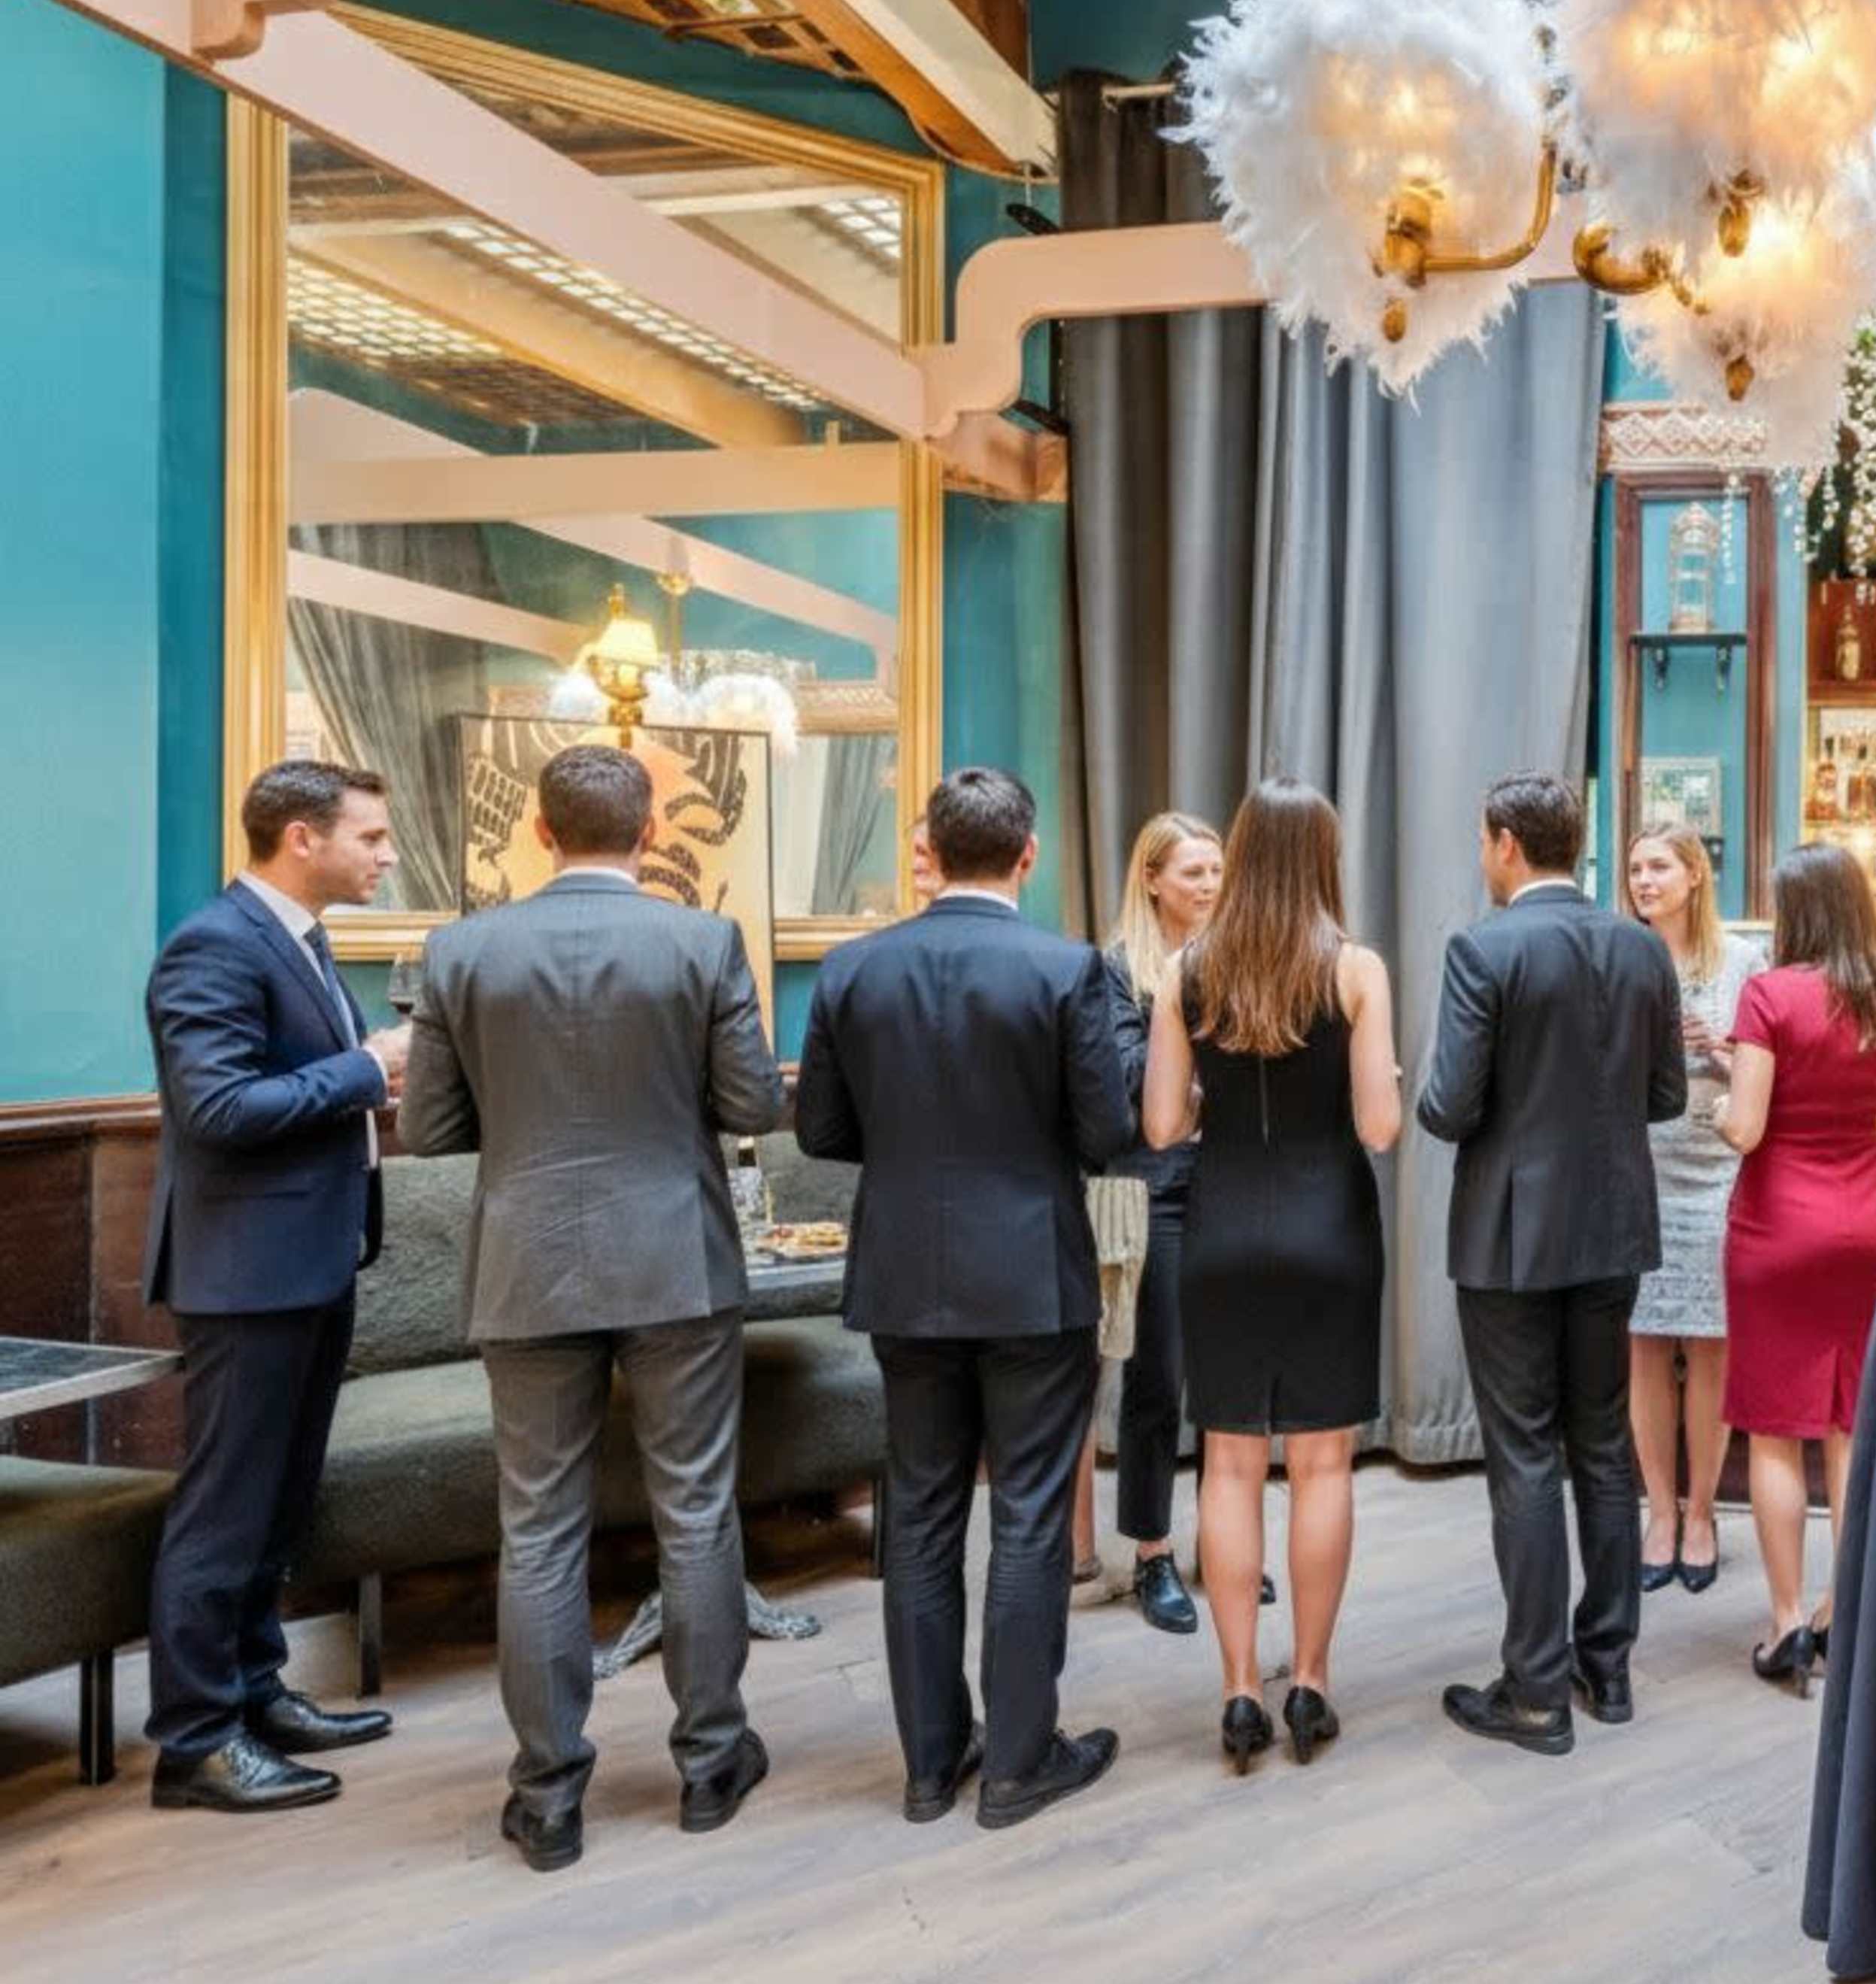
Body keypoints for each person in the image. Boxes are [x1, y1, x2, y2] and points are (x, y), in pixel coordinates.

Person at [399, 745, 784, 1873]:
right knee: (699, 1512)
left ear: (538, 829)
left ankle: (548, 1792)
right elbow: (752, 1102)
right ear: (652, 825)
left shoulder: (462, 949)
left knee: (538, 1529)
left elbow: (427, 1132)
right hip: (676, 1256)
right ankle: (713, 1761)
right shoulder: (702, 940)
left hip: (525, 1263)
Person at [796, 767, 1133, 1831]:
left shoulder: (852, 969)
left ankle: (931, 1765)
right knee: (1030, 1517)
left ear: (930, 851)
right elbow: (1109, 1134)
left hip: (903, 1273)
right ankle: (1023, 1761)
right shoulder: (1069, 969)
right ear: (1026, 856)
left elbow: (821, 1134)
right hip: (1033, 1274)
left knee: (923, 1517)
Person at [141, 761, 414, 1813]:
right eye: (372, 837)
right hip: (246, 1273)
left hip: (309, 1259)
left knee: (279, 1501)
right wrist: (368, 1068)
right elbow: (216, 1107)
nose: (387, 855)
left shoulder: (298, 939)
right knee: (226, 1507)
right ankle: (196, 1740)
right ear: (302, 838)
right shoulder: (213, 943)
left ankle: (255, 1690)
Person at [1420, 774, 1687, 1754]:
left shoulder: (1481, 949)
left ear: (1503, 844)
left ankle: (1533, 1688)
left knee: (1525, 1450)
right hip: (1613, 1225)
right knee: (1603, 1444)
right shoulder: (1638, 946)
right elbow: (1665, 1096)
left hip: (1510, 1235)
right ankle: (1606, 1669)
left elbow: (1448, 1108)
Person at [1142, 780, 1399, 1770]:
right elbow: (1378, 1126)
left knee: (1231, 1461)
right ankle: (1312, 1680)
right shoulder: (1356, 969)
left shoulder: (1188, 969)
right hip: (1328, 1225)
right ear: (1324, 856)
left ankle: (1240, 1687)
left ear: (1242, 855)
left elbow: (1162, 1125)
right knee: (1323, 1462)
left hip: (1222, 1230)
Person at [1719, 844, 1876, 1690]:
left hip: (1776, 1224)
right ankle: (1844, 1612)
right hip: (1861, 1222)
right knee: (1847, 1425)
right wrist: (1844, 1122)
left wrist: (1724, 1107)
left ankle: (1783, 1622)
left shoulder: (1769, 996)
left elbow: (1744, 1127)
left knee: (1775, 1430)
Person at [1077, 810, 1226, 1634]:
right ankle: (1152, 1554)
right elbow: (1136, 1089)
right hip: (1145, 1191)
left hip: (1227, 1188)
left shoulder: (1238, 960)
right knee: (1155, 1378)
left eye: (1216, 872)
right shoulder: (1115, 970)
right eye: (1194, 872)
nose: (1209, 885)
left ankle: (1221, 1544)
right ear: (1153, 879)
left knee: (1227, 1379)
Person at [1622, 824, 1766, 1595]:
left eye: (1658, 867)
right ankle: (1659, 1512)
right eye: (1636, 868)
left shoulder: (1743, 962)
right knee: (1645, 1341)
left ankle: (1704, 1512)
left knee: (1710, 1344)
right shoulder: (1622, 955)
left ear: (1694, 876)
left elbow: (1767, 1070)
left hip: (1716, 1171)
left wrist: (1719, 1049)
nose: (1644, 880)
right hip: (1639, 1170)